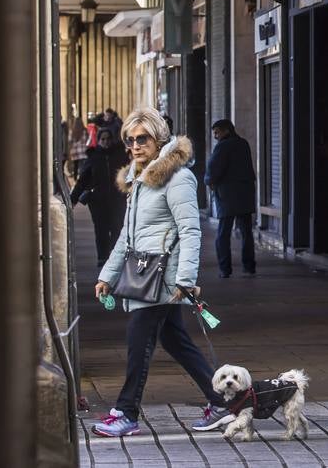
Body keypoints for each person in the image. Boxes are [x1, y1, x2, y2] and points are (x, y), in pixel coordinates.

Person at [91, 107, 233, 437]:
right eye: (130, 139)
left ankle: (126, 413)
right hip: (145, 274)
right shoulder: (138, 179)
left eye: (143, 139)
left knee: (138, 340)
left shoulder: (178, 177)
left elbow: (190, 230)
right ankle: (221, 402)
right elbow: (127, 236)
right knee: (174, 338)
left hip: (162, 278)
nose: (135, 146)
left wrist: (185, 279)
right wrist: (107, 276)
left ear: (160, 139)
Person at [206, 118, 257, 279]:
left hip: (227, 194)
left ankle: (225, 269)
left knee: (223, 233)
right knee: (246, 232)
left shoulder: (223, 147)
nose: (215, 136)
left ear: (226, 130)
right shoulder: (243, 143)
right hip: (245, 193)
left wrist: (209, 181)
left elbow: (214, 169)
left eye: (217, 132)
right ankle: (249, 267)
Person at [71, 127, 129, 263]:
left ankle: (115, 258)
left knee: (116, 228)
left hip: (117, 199)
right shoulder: (93, 157)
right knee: (101, 230)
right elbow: (82, 180)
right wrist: (72, 200)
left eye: (108, 139)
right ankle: (103, 257)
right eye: (103, 139)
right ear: (98, 140)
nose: (106, 142)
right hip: (98, 201)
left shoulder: (120, 155)